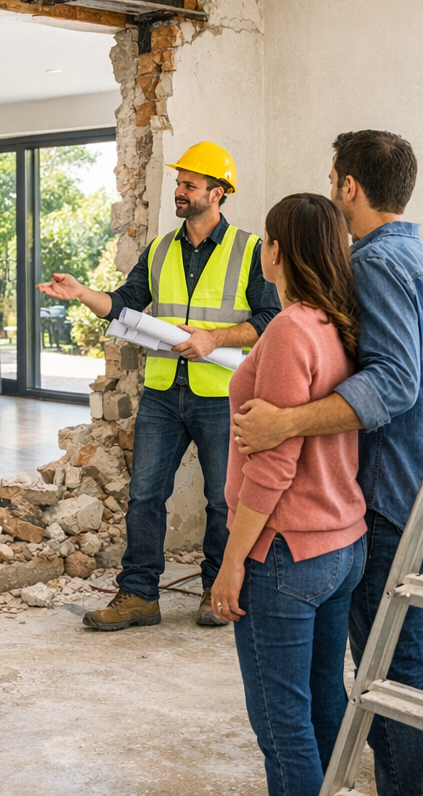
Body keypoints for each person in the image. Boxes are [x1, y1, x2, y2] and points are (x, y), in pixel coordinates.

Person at [233, 130, 422, 796]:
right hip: (357, 522)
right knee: (354, 689)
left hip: (358, 515)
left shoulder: (372, 268)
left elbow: (397, 382)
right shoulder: (398, 264)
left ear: (349, 186)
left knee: (383, 681)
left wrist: (285, 421)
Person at [38, 141, 280, 630]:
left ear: (218, 192)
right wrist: (84, 293)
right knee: (146, 495)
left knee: (221, 500)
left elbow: (270, 317)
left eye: (190, 184)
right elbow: (125, 305)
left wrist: (215, 338)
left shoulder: (250, 250)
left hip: (221, 395)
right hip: (165, 393)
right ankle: (138, 596)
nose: (180, 190)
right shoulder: (161, 249)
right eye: (179, 182)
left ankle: (216, 589)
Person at [211, 193, 365, 796]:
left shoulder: (288, 330)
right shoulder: (340, 322)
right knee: (325, 705)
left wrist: (231, 563)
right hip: (341, 544)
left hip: (284, 554)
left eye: (265, 241)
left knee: (282, 728)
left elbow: (273, 466)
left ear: (279, 251)